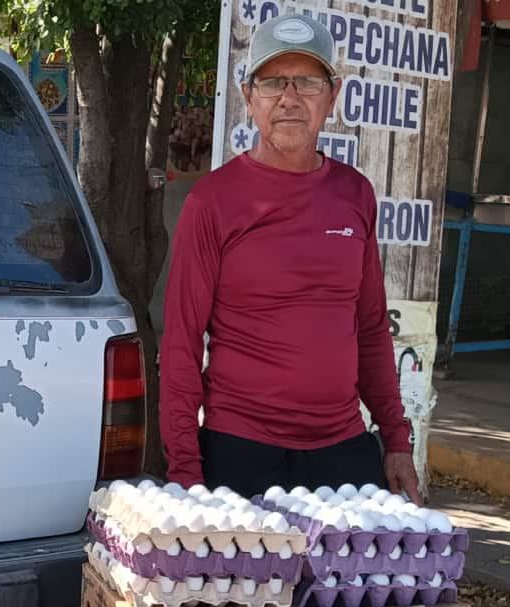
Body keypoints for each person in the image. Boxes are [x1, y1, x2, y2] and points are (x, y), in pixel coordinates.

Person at [158, 12, 422, 503]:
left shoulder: (355, 194)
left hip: (341, 448)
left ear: (332, 97)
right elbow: (182, 341)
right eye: (273, 81)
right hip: (240, 450)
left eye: (307, 81)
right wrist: (186, 472)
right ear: (248, 97)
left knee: (354, 581)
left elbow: (369, 328)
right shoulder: (213, 202)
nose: (290, 98)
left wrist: (396, 440)